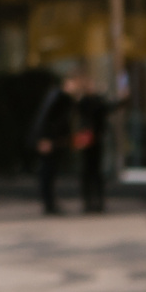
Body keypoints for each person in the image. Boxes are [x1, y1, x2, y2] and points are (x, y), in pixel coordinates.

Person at [28, 69, 88, 216]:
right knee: (47, 172)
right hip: (49, 141)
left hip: (54, 141)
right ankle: (49, 204)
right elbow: (45, 118)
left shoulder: (64, 98)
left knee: (50, 172)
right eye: (75, 84)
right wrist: (43, 139)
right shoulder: (57, 97)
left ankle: (51, 203)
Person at [75, 76, 114, 215]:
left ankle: (98, 201)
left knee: (95, 172)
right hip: (87, 140)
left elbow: (107, 108)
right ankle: (89, 202)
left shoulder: (96, 100)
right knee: (88, 172)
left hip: (96, 140)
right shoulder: (84, 101)